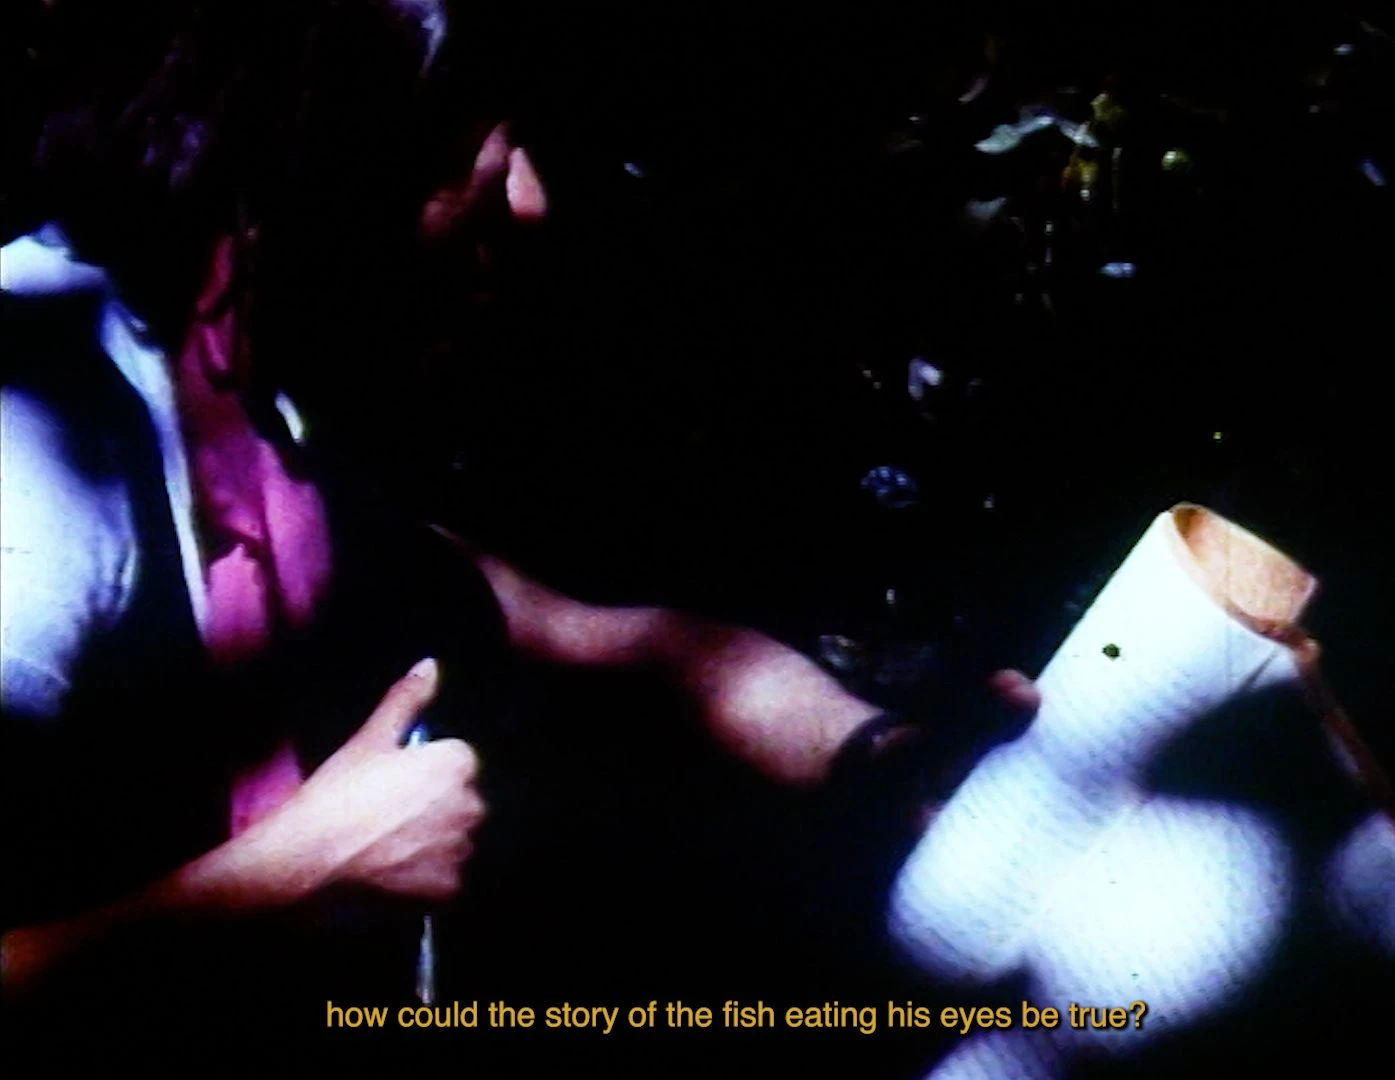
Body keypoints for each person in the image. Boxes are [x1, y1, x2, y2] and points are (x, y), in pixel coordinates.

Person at [1, 4, 1037, 1067]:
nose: (531, 198)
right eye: (476, 142)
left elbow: (607, 646)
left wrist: (882, 758)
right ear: (328, 148)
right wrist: (289, 873)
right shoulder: (34, 448)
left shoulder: (249, 374)